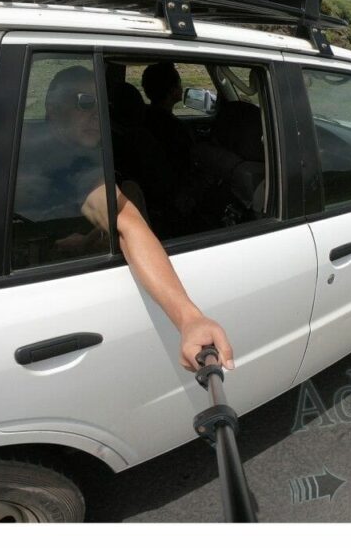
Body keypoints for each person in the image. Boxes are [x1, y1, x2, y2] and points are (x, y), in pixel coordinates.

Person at [38, 65, 234, 373]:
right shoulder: (73, 167)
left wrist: (87, 239)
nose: (96, 113)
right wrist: (190, 318)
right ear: (51, 108)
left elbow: (119, 221)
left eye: (103, 104)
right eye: (84, 102)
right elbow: (128, 223)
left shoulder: (54, 155)